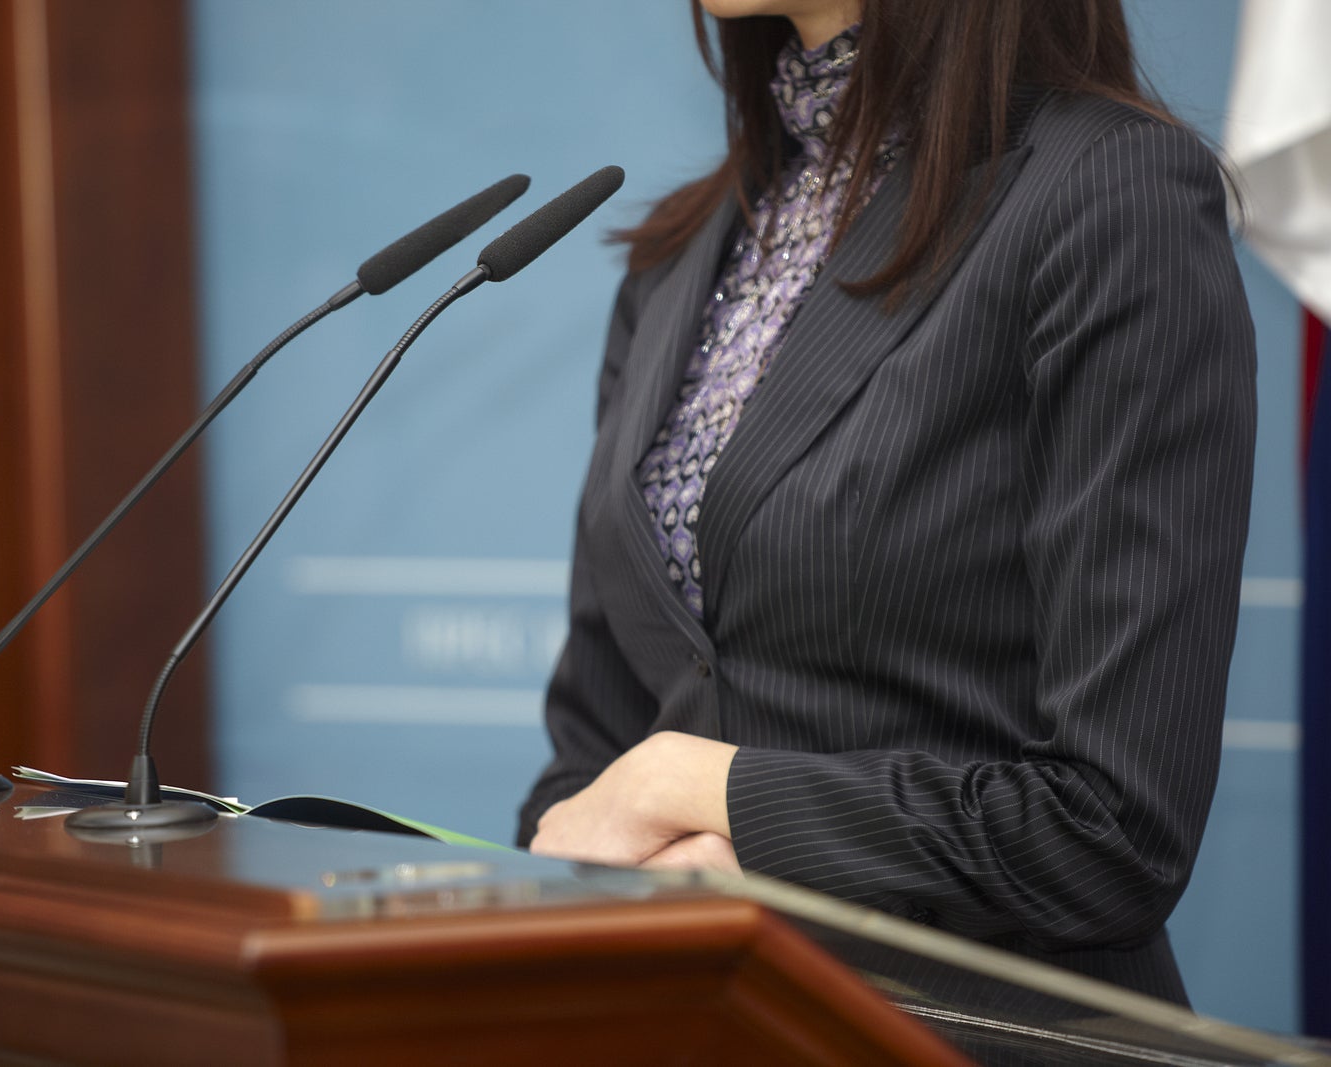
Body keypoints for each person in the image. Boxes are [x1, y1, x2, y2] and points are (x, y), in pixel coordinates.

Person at [517, 0, 1256, 1003]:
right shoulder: (682, 250)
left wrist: (697, 789)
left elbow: (1107, 831)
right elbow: (585, 762)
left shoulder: (1108, 194)